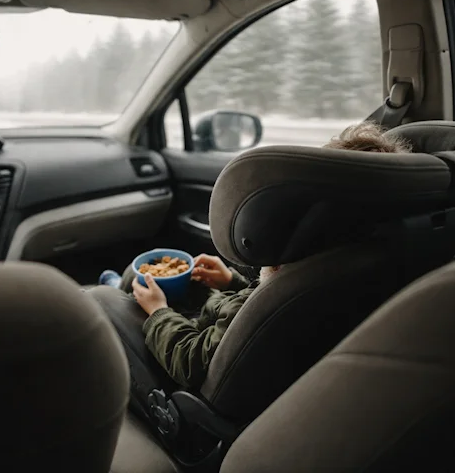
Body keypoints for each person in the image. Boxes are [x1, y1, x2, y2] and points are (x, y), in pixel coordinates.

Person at [92, 121, 412, 389]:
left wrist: (158, 312)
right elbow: (257, 304)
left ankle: (118, 289)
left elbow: (191, 361)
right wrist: (230, 281)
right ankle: (126, 285)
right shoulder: (342, 271)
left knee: (109, 296)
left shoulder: (274, 294)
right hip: (226, 330)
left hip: (189, 363)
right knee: (152, 282)